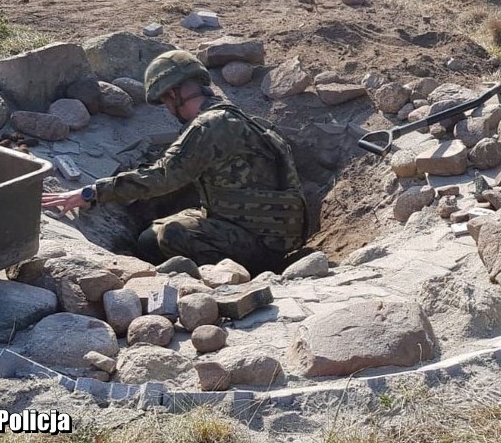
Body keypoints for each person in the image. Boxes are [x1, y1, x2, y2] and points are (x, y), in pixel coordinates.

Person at [41, 49, 308, 275]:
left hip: (260, 244)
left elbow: (164, 177)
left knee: (171, 235)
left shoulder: (209, 127)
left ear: (173, 94)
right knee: (149, 236)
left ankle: (222, 279)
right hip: (268, 234)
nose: (167, 109)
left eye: (165, 102)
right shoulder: (236, 119)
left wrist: (93, 192)